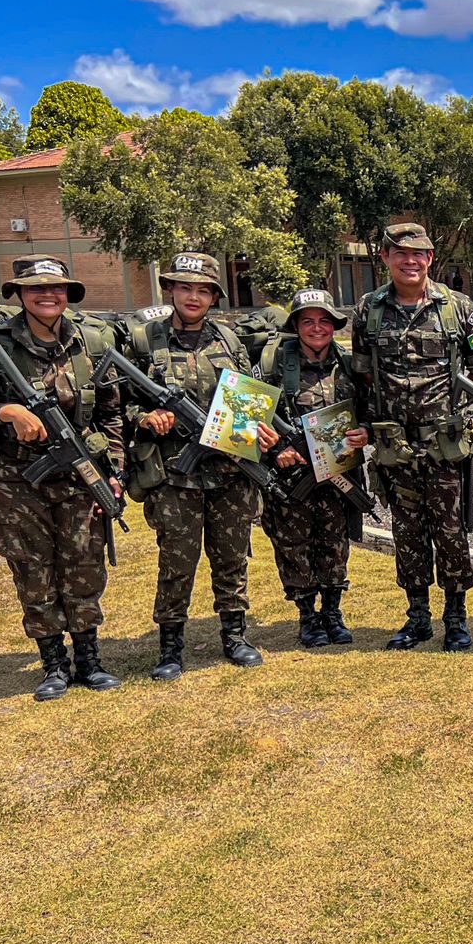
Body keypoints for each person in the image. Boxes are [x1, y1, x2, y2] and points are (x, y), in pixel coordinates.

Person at [0, 256, 125, 700]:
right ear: (20, 295)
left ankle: (89, 659)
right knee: (33, 569)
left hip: (78, 478)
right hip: (16, 481)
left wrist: (115, 470)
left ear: (69, 294)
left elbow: (111, 414)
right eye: (36, 289)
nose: (48, 295)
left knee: (84, 566)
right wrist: (5, 411)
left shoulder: (89, 343)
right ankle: (53, 664)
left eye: (57, 288)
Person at [123, 252, 278, 679]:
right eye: (186, 288)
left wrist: (258, 431)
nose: (194, 296)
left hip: (230, 473)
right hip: (176, 474)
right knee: (177, 561)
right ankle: (171, 646)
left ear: (213, 296)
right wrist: (145, 418)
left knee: (232, 558)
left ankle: (235, 635)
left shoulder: (229, 340)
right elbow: (121, 403)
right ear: (170, 290)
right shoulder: (144, 342)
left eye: (203, 290)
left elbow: (249, 397)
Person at [349, 223, 473, 652]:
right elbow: (359, 376)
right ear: (386, 258)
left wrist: (452, 410)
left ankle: (455, 618)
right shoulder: (368, 310)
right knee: (407, 532)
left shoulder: (459, 307)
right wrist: (364, 423)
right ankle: (417, 618)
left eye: (419, 254)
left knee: (451, 531)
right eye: (400, 253)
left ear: (430, 259)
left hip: (443, 444)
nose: (410, 261)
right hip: (394, 445)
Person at [258, 289, 365, 648]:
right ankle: (308, 616)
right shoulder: (274, 365)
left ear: (334, 326)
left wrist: (363, 433)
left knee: (334, 544)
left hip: (338, 475)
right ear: (296, 326)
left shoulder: (350, 365)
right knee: (294, 545)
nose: (316, 328)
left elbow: (366, 412)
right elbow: (251, 416)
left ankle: (333, 613)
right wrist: (275, 449)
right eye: (308, 321)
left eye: (323, 321)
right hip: (292, 476)